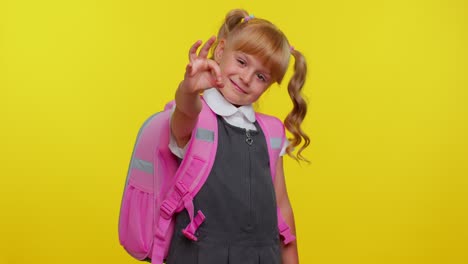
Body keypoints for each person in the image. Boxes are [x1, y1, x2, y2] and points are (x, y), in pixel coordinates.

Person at [167, 8, 309, 264]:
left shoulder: (271, 131)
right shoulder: (196, 117)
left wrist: (291, 258)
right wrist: (188, 89)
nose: (246, 78)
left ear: (268, 85)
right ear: (220, 52)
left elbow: (282, 205)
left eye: (261, 76)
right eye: (242, 62)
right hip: (201, 255)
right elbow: (185, 111)